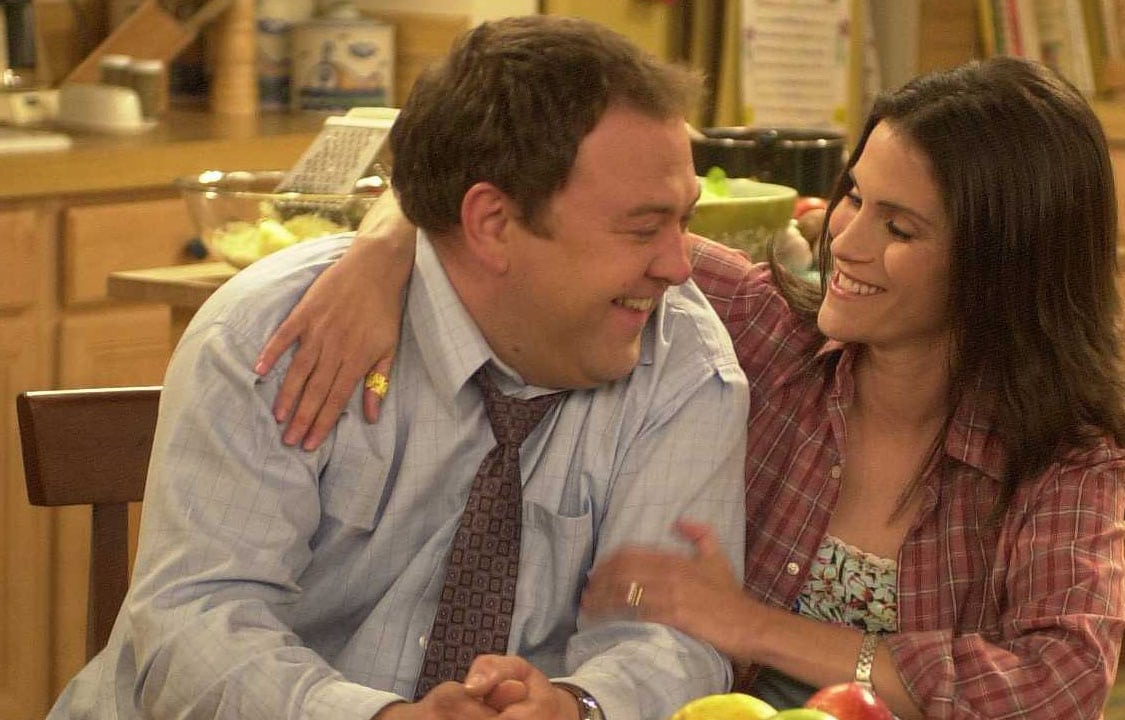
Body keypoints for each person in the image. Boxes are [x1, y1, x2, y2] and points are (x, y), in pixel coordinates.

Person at [255, 56, 1125, 719]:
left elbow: (1059, 687)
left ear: (1002, 263)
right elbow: (516, 182)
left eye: (901, 227)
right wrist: (384, 248)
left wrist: (751, 625)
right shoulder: (760, 328)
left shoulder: (1066, 455)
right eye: (853, 197)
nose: (846, 241)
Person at [50, 15, 750, 720]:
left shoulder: (683, 364)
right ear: (493, 224)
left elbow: (674, 636)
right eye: (642, 227)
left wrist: (578, 707)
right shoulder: (276, 337)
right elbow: (195, 623)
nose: (678, 265)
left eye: (684, 220)